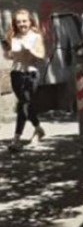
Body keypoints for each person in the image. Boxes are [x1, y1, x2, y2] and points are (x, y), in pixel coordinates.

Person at [3, 9, 46, 151]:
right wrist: (8, 53)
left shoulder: (35, 37)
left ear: (30, 22)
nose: (22, 24)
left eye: (24, 21)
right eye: (19, 22)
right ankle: (38, 128)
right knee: (24, 104)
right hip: (16, 74)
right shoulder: (13, 36)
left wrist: (29, 50)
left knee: (24, 103)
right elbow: (9, 57)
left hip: (31, 75)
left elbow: (41, 55)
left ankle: (16, 139)